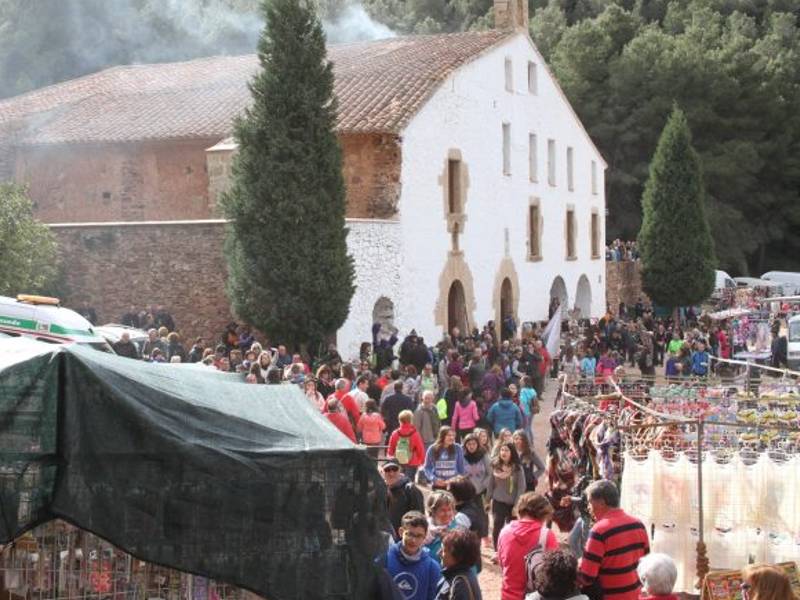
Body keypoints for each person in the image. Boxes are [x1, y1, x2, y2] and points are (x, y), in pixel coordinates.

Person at [578, 480, 649, 600]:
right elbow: (646, 564)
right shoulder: (638, 524)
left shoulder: (599, 531)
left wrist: (578, 566)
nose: (588, 508)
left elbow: (587, 578)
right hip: (636, 595)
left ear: (601, 502)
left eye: (590, 502)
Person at [497, 493, 558, 600]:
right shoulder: (547, 535)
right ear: (544, 514)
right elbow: (553, 573)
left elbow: (503, 565)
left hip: (508, 595)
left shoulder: (504, 532)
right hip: (535, 596)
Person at [384, 511, 441, 600]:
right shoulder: (384, 560)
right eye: (410, 534)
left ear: (425, 536)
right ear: (401, 532)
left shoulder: (432, 568)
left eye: (419, 536)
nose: (413, 540)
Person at [487, 441, 527, 552]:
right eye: (502, 450)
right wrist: (487, 500)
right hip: (498, 501)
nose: (503, 452)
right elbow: (490, 484)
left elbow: (521, 487)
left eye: (506, 450)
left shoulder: (517, 468)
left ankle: (510, 549)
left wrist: (516, 506)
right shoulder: (495, 465)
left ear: (512, 452)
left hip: (513, 503)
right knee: (497, 526)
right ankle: (497, 550)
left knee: (512, 528)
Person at [435, 529, 483, 600]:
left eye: (444, 550)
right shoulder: (461, 575)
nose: (438, 553)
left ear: (457, 555)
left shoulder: (460, 584)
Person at [381, 460, 425, 538]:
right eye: (387, 470)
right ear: (382, 473)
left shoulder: (410, 489)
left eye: (394, 469)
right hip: (387, 537)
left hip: (406, 538)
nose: (391, 473)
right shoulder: (381, 490)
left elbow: (419, 517)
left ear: (400, 471)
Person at [424, 491, 461, 566]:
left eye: (449, 509)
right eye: (443, 510)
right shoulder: (422, 527)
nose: (447, 514)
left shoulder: (457, 532)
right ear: (433, 511)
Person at [446, 476, 488, 542]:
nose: (446, 495)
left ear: (457, 494)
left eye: (449, 492)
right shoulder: (473, 507)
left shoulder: (463, 516)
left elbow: (452, 538)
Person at [387, 410, 426, 480]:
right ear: (411, 420)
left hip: (398, 460)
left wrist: (390, 458)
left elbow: (391, 448)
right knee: (409, 482)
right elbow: (420, 448)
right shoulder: (415, 433)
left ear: (399, 420)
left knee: (398, 481)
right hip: (412, 462)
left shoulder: (395, 433)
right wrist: (422, 461)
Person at [462, 433, 491, 498]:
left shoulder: (484, 455)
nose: (471, 446)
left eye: (474, 444)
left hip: (482, 490)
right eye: (469, 444)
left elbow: (490, 473)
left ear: (478, 444)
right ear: (465, 445)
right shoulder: (462, 456)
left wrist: (483, 485)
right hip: (466, 490)